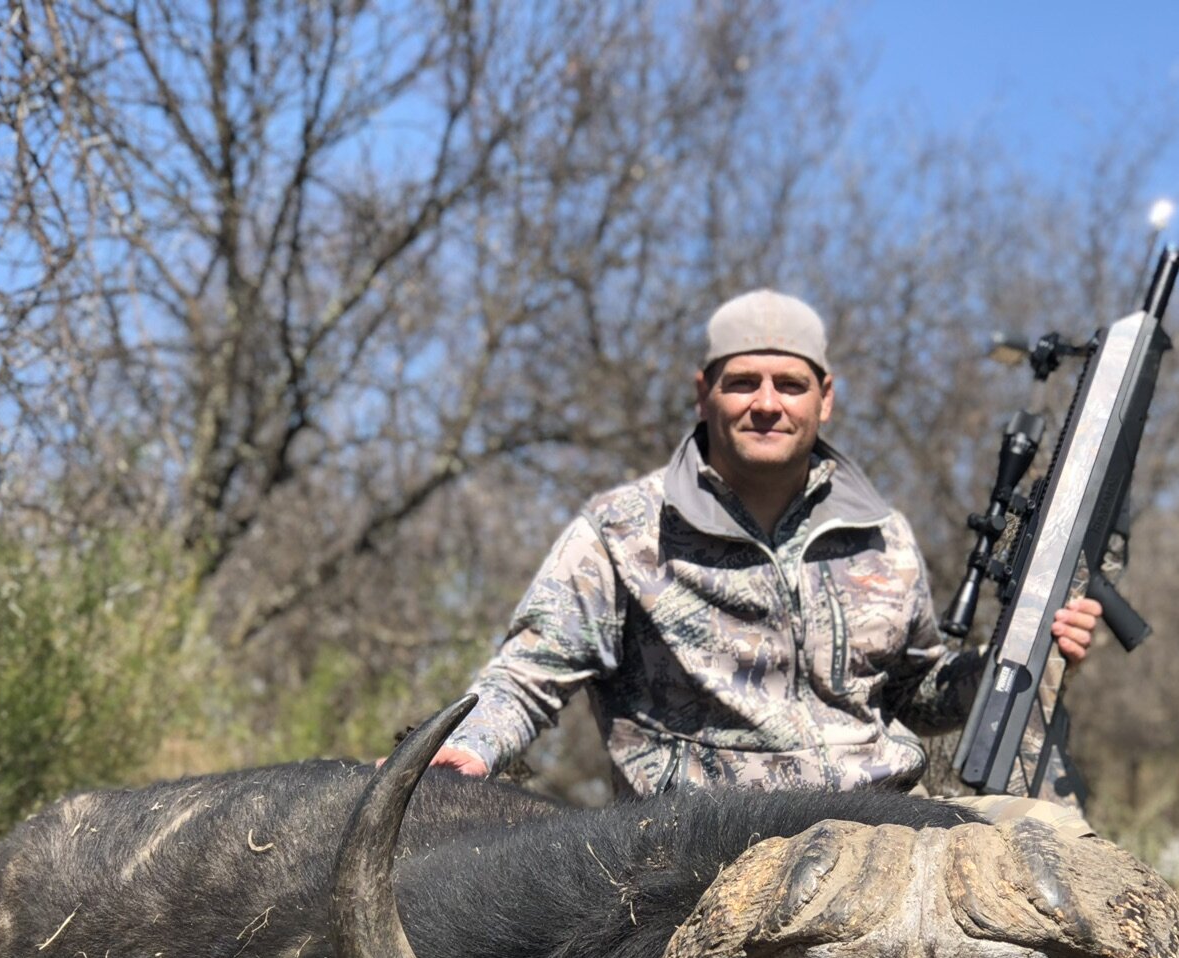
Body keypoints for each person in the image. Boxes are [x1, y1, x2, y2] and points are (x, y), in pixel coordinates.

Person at [432, 289, 1101, 798]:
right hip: (700, 857)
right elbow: (525, 677)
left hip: (887, 837)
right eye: (743, 382)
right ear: (704, 394)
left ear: (825, 398)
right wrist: (466, 751)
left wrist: (1018, 655)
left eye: (790, 385)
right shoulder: (621, 530)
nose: (767, 404)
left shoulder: (884, 534)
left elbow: (913, 694)